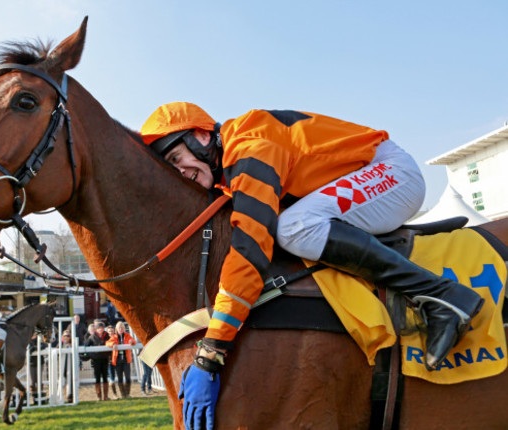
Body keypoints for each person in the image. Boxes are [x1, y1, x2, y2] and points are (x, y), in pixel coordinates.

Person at [141, 102, 485, 427]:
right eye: (169, 166)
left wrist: (212, 351)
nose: (179, 171)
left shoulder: (249, 147)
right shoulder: (230, 171)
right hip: (363, 179)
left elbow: (249, 252)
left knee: (293, 227)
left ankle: (444, 298)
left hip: (390, 174)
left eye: (176, 156)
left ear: (200, 137)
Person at [106, 322, 137, 398]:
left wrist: (131, 342)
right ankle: (123, 394)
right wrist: (113, 344)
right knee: (120, 378)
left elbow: (134, 341)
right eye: (119, 328)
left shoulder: (127, 335)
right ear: (116, 329)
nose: (121, 329)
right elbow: (107, 343)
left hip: (126, 360)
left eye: (122, 327)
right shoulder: (114, 336)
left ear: (124, 328)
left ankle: (127, 394)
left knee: (128, 378)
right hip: (117, 360)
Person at [84, 322, 110, 401]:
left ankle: (106, 396)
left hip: (105, 359)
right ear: (96, 329)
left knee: (105, 377)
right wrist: (91, 354)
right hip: (96, 360)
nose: (100, 329)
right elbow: (85, 346)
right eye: (99, 328)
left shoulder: (107, 336)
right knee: (97, 378)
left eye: (102, 328)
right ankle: (99, 397)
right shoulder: (92, 337)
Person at [105, 325, 119, 399]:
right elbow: (107, 343)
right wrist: (112, 344)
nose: (111, 332)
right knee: (112, 378)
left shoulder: (117, 337)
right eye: (109, 331)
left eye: (112, 331)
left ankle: (124, 393)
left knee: (119, 377)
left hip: (117, 360)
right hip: (109, 361)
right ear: (107, 332)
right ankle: (114, 394)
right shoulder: (105, 339)